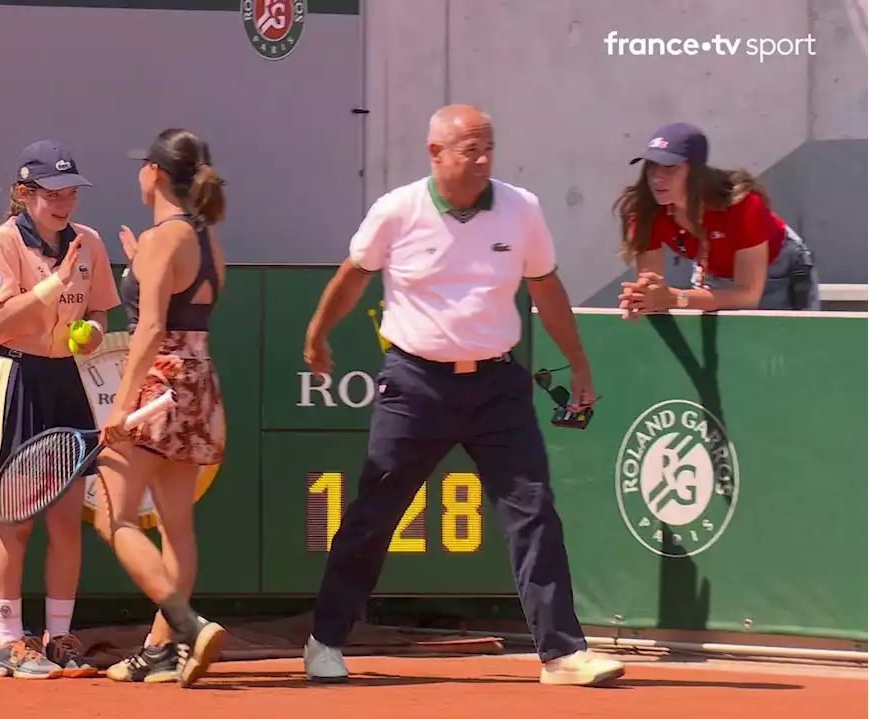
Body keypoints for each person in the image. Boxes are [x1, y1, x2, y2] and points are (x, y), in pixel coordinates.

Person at [301, 105, 626, 687]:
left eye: (487, 149)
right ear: (435, 154)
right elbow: (354, 274)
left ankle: (561, 653)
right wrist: (318, 334)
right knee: (374, 513)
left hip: (498, 384)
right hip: (414, 384)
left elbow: (546, 286)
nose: (481, 160)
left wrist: (579, 364)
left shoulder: (521, 209)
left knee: (533, 511)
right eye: (468, 150)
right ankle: (325, 640)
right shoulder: (397, 211)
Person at [0, 140, 120, 679]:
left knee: (66, 522)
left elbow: (100, 316)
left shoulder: (88, 243)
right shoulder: (2, 242)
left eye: (71, 193)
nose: (64, 204)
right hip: (16, 380)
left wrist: (91, 334)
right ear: (25, 195)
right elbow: (1, 322)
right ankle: (8, 643)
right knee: (14, 521)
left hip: (66, 382)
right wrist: (53, 285)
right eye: (52, 194)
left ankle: (60, 636)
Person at [92, 128, 229, 689]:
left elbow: (150, 328)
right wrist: (137, 265)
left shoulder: (160, 240)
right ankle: (162, 649)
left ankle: (189, 625)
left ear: (154, 173)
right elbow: (180, 299)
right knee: (177, 527)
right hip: (200, 383)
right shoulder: (208, 243)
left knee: (113, 517)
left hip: (157, 383)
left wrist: (122, 406)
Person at [616, 122, 820, 316]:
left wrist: (674, 298)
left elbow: (748, 296)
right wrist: (642, 299)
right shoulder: (645, 212)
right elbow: (652, 291)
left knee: (791, 343)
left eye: (670, 168)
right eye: (652, 166)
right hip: (713, 271)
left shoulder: (742, 206)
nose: (657, 178)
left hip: (779, 266)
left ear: (696, 173)